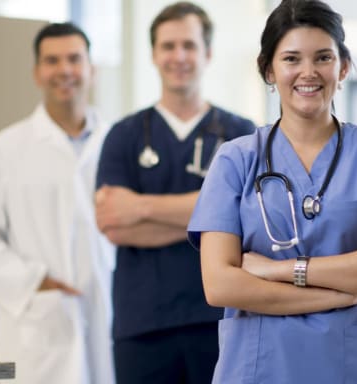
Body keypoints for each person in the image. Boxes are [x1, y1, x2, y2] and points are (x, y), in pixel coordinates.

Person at [187, 1, 357, 383]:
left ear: (343, 67)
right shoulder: (235, 160)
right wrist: (342, 294)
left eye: (323, 57)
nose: (308, 73)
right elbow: (220, 284)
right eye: (291, 58)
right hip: (262, 367)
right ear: (268, 69)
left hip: (356, 368)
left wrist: (278, 270)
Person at [93, 2, 256, 383]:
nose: (178, 56)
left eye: (189, 45)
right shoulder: (124, 135)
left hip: (220, 320)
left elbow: (248, 218)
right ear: (153, 54)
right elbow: (114, 223)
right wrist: (214, 219)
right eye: (168, 46)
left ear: (208, 53)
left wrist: (141, 207)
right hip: (143, 326)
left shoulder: (240, 133)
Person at [0, 22, 114, 384]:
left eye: (74, 59)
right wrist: (33, 282)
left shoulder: (115, 142)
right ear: (36, 73)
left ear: (91, 69)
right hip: (40, 323)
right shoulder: (7, 148)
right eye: (52, 60)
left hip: (109, 312)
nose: (64, 70)